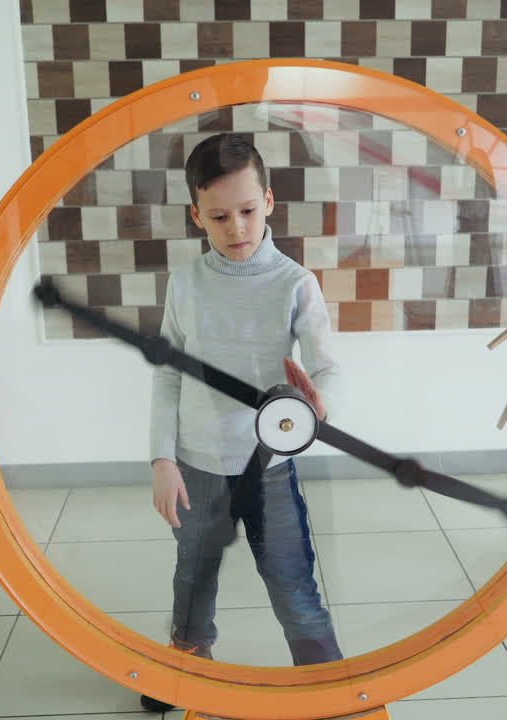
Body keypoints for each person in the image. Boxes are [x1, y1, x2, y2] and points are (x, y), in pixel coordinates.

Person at [143, 133, 342, 710]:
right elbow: (168, 375)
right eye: (219, 216)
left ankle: (326, 684)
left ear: (270, 203)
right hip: (197, 465)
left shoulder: (295, 283)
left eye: (248, 211)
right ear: (196, 215)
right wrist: (161, 458)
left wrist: (318, 403)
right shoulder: (185, 282)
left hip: (270, 467)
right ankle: (185, 668)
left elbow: (327, 367)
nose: (237, 228)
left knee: (291, 582)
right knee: (193, 578)